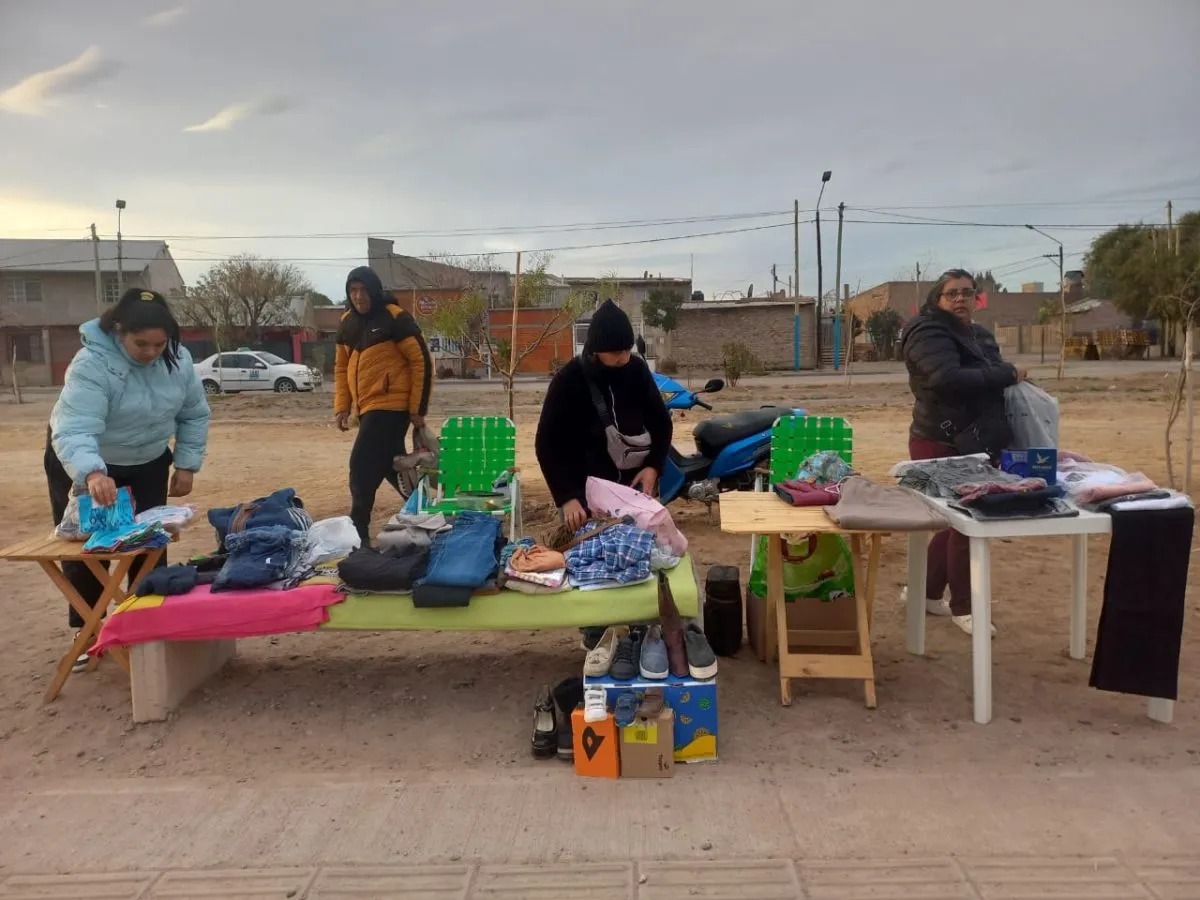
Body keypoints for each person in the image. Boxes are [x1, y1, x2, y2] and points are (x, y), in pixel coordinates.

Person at [46, 288, 211, 665]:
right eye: (141, 344)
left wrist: (185, 464)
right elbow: (75, 427)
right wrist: (90, 473)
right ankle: (90, 628)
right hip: (87, 459)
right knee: (91, 546)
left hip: (149, 458)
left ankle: (149, 621)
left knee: (150, 542)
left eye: (160, 344)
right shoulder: (91, 364)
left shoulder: (178, 361)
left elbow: (194, 414)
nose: (152, 352)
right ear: (119, 330)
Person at [898, 268, 1027, 637]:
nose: (960, 299)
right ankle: (965, 608)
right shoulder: (927, 331)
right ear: (938, 299)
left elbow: (990, 374)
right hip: (940, 439)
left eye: (967, 293)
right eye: (952, 293)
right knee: (967, 519)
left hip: (978, 440)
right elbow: (945, 379)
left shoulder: (979, 335)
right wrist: (1007, 374)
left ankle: (925, 592)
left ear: (977, 298)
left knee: (955, 521)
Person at [535, 299, 672, 531]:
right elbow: (547, 445)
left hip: (632, 491)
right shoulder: (568, 380)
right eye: (616, 352)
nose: (624, 357)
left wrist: (653, 467)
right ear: (597, 349)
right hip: (583, 496)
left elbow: (661, 423)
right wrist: (566, 497)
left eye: (627, 350)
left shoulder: (637, 371)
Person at [334, 265, 433, 545]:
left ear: (375, 291)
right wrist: (343, 407)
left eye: (364, 290)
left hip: (392, 407)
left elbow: (421, 360)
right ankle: (426, 516)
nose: (359, 296)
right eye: (353, 290)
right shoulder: (347, 322)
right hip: (366, 409)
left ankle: (359, 533)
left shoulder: (395, 318)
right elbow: (341, 368)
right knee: (392, 466)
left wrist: (417, 408)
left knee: (361, 465)